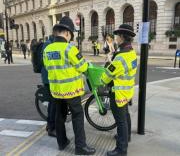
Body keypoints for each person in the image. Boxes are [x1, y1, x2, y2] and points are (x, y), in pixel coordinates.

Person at [43, 16, 96, 155]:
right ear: (67, 33)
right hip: (72, 91)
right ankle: (80, 147)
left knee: (59, 116)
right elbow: (83, 66)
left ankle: (62, 142)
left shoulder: (47, 49)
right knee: (77, 116)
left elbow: (48, 68)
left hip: (56, 91)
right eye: (71, 35)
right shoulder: (69, 49)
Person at [101, 24, 137, 156]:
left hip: (117, 93)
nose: (116, 38)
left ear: (122, 37)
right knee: (125, 115)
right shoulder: (131, 52)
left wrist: (108, 67)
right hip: (127, 91)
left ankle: (121, 149)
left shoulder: (120, 57)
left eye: (117, 36)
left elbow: (106, 77)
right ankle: (126, 138)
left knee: (120, 121)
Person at [41, 35, 56, 137]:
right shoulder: (48, 45)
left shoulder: (50, 43)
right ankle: (51, 128)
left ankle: (49, 125)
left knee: (53, 103)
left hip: (50, 77)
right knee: (53, 104)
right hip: (48, 78)